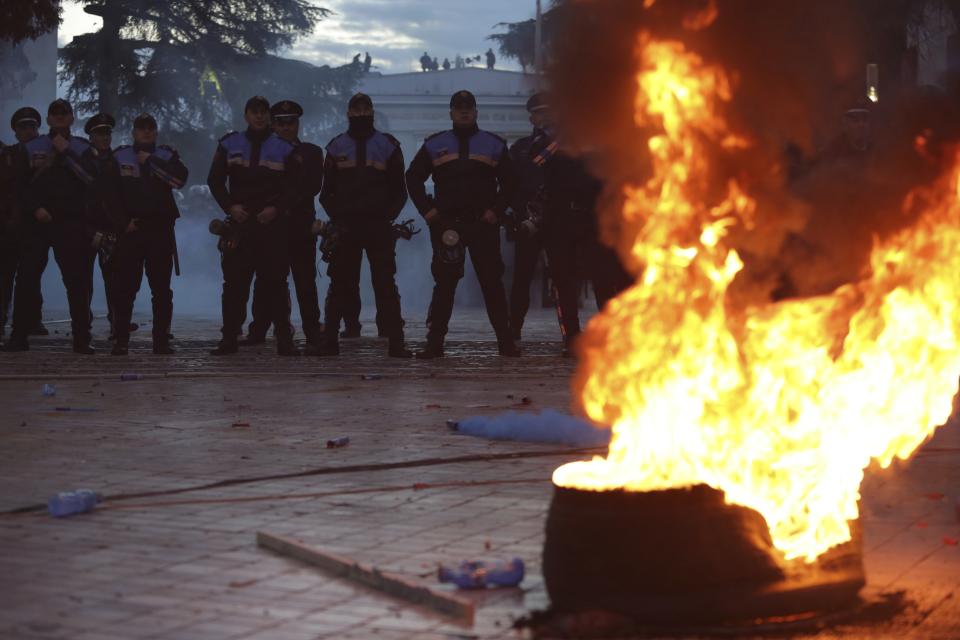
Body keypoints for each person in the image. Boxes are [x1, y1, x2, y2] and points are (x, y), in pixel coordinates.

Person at [405, 90, 519, 358]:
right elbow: (413, 177)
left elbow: (511, 182)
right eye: (459, 108)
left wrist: (496, 212)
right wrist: (429, 213)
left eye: (468, 108)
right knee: (444, 286)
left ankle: (506, 342)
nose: (464, 112)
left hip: (483, 224)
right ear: (451, 113)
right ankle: (434, 344)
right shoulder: (435, 144)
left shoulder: (493, 144)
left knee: (492, 284)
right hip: (448, 226)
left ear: (476, 112)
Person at [318, 93, 412, 358]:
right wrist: (338, 220)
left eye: (364, 108)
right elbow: (326, 193)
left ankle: (396, 343)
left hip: (377, 227)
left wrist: (386, 219)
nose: (360, 113)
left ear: (371, 110)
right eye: (355, 109)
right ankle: (330, 343)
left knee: (385, 285)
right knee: (339, 285)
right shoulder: (336, 147)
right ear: (348, 112)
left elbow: (400, 191)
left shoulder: (388, 146)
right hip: (346, 227)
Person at [207, 95, 300, 356]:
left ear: (268, 116)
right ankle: (229, 339)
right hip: (241, 224)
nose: (259, 116)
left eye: (263, 112)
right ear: (246, 115)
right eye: (254, 112)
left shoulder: (284, 147)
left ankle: (284, 339)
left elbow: (295, 186)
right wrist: (229, 208)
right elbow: (214, 180)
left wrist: (276, 209)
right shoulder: (229, 144)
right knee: (234, 285)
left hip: (272, 226)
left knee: (276, 284)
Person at [4, 99, 96, 354]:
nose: (59, 117)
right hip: (37, 223)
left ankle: (81, 338)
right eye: (55, 114)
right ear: (48, 119)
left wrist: (65, 151)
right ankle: (19, 336)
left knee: (76, 282)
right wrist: (35, 209)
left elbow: (91, 179)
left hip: (70, 222)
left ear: (71, 118)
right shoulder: (32, 147)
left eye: (64, 113)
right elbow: (20, 185)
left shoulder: (82, 147)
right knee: (27, 279)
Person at [530, 124, 631, 355]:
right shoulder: (552, 139)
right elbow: (536, 160)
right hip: (560, 222)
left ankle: (609, 337)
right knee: (564, 283)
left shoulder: (603, 137)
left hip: (593, 220)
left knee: (603, 281)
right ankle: (572, 339)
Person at [245, 100, 324, 354]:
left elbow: (312, 186)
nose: (286, 127)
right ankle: (260, 330)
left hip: (299, 224)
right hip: (270, 225)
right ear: (272, 123)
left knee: (305, 282)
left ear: (298, 123)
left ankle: (312, 333)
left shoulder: (311, 152)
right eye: (280, 121)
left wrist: (281, 202)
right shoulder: (261, 150)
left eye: (291, 121)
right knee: (267, 281)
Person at [108, 113, 188, 355]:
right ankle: (121, 340)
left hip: (159, 231)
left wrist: (151, 160)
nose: (146, 132)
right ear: (134, 132)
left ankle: (161, 341)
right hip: (131, 230)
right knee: (125, 288)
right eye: (141, 128)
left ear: (156, 131)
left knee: (161, 290)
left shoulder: (166, 155)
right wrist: (123, 223)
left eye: (150, 128)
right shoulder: (120, 156)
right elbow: (108, 195)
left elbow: (178, 180)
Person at [0, 107, 48, 340]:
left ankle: (32, 319)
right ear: (15, 131)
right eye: (23, 127)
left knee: (31, 276)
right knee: (4, 276)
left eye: (32, 126)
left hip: (35, 224)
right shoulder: (5, 154)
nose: (28, 131)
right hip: (8, 224)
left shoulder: (49, 155)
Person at [508, 93, 550, 340]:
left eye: (547, 112)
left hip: (558, 220)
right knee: (521, 277)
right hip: (529, 221)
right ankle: (514, 330)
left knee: (563, 281)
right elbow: (511, 183)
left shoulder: (566, 146)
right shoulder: (521, 148)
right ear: (532, 117)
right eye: (538, 113)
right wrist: (518, 212)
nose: (543, 117)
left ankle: (571, 335)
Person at [82, 112, 126, 341]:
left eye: (107, 132)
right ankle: (83, 323)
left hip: (111, 226)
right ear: (91, 136)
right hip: (86, 226)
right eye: (100, 133)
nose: (105, 137)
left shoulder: (119, 160)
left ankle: (117, 323)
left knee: (114, 278)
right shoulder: (81, 160)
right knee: (83, 278)